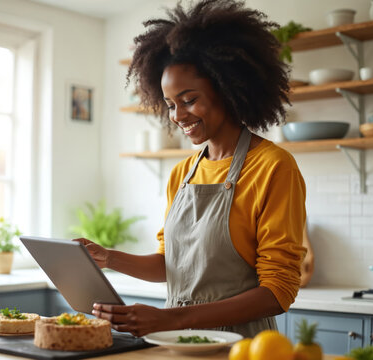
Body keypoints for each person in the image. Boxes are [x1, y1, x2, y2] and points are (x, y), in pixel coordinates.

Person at [75, 0, 306, 338]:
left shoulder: (273, 166)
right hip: (181, 342)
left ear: (227, 89)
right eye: (170, 104)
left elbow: (279, 291)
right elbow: (170, 264)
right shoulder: (182, 173)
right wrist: (108, 257)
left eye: (188, 100)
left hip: (241, 346)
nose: (178, 116)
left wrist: (169, 320)